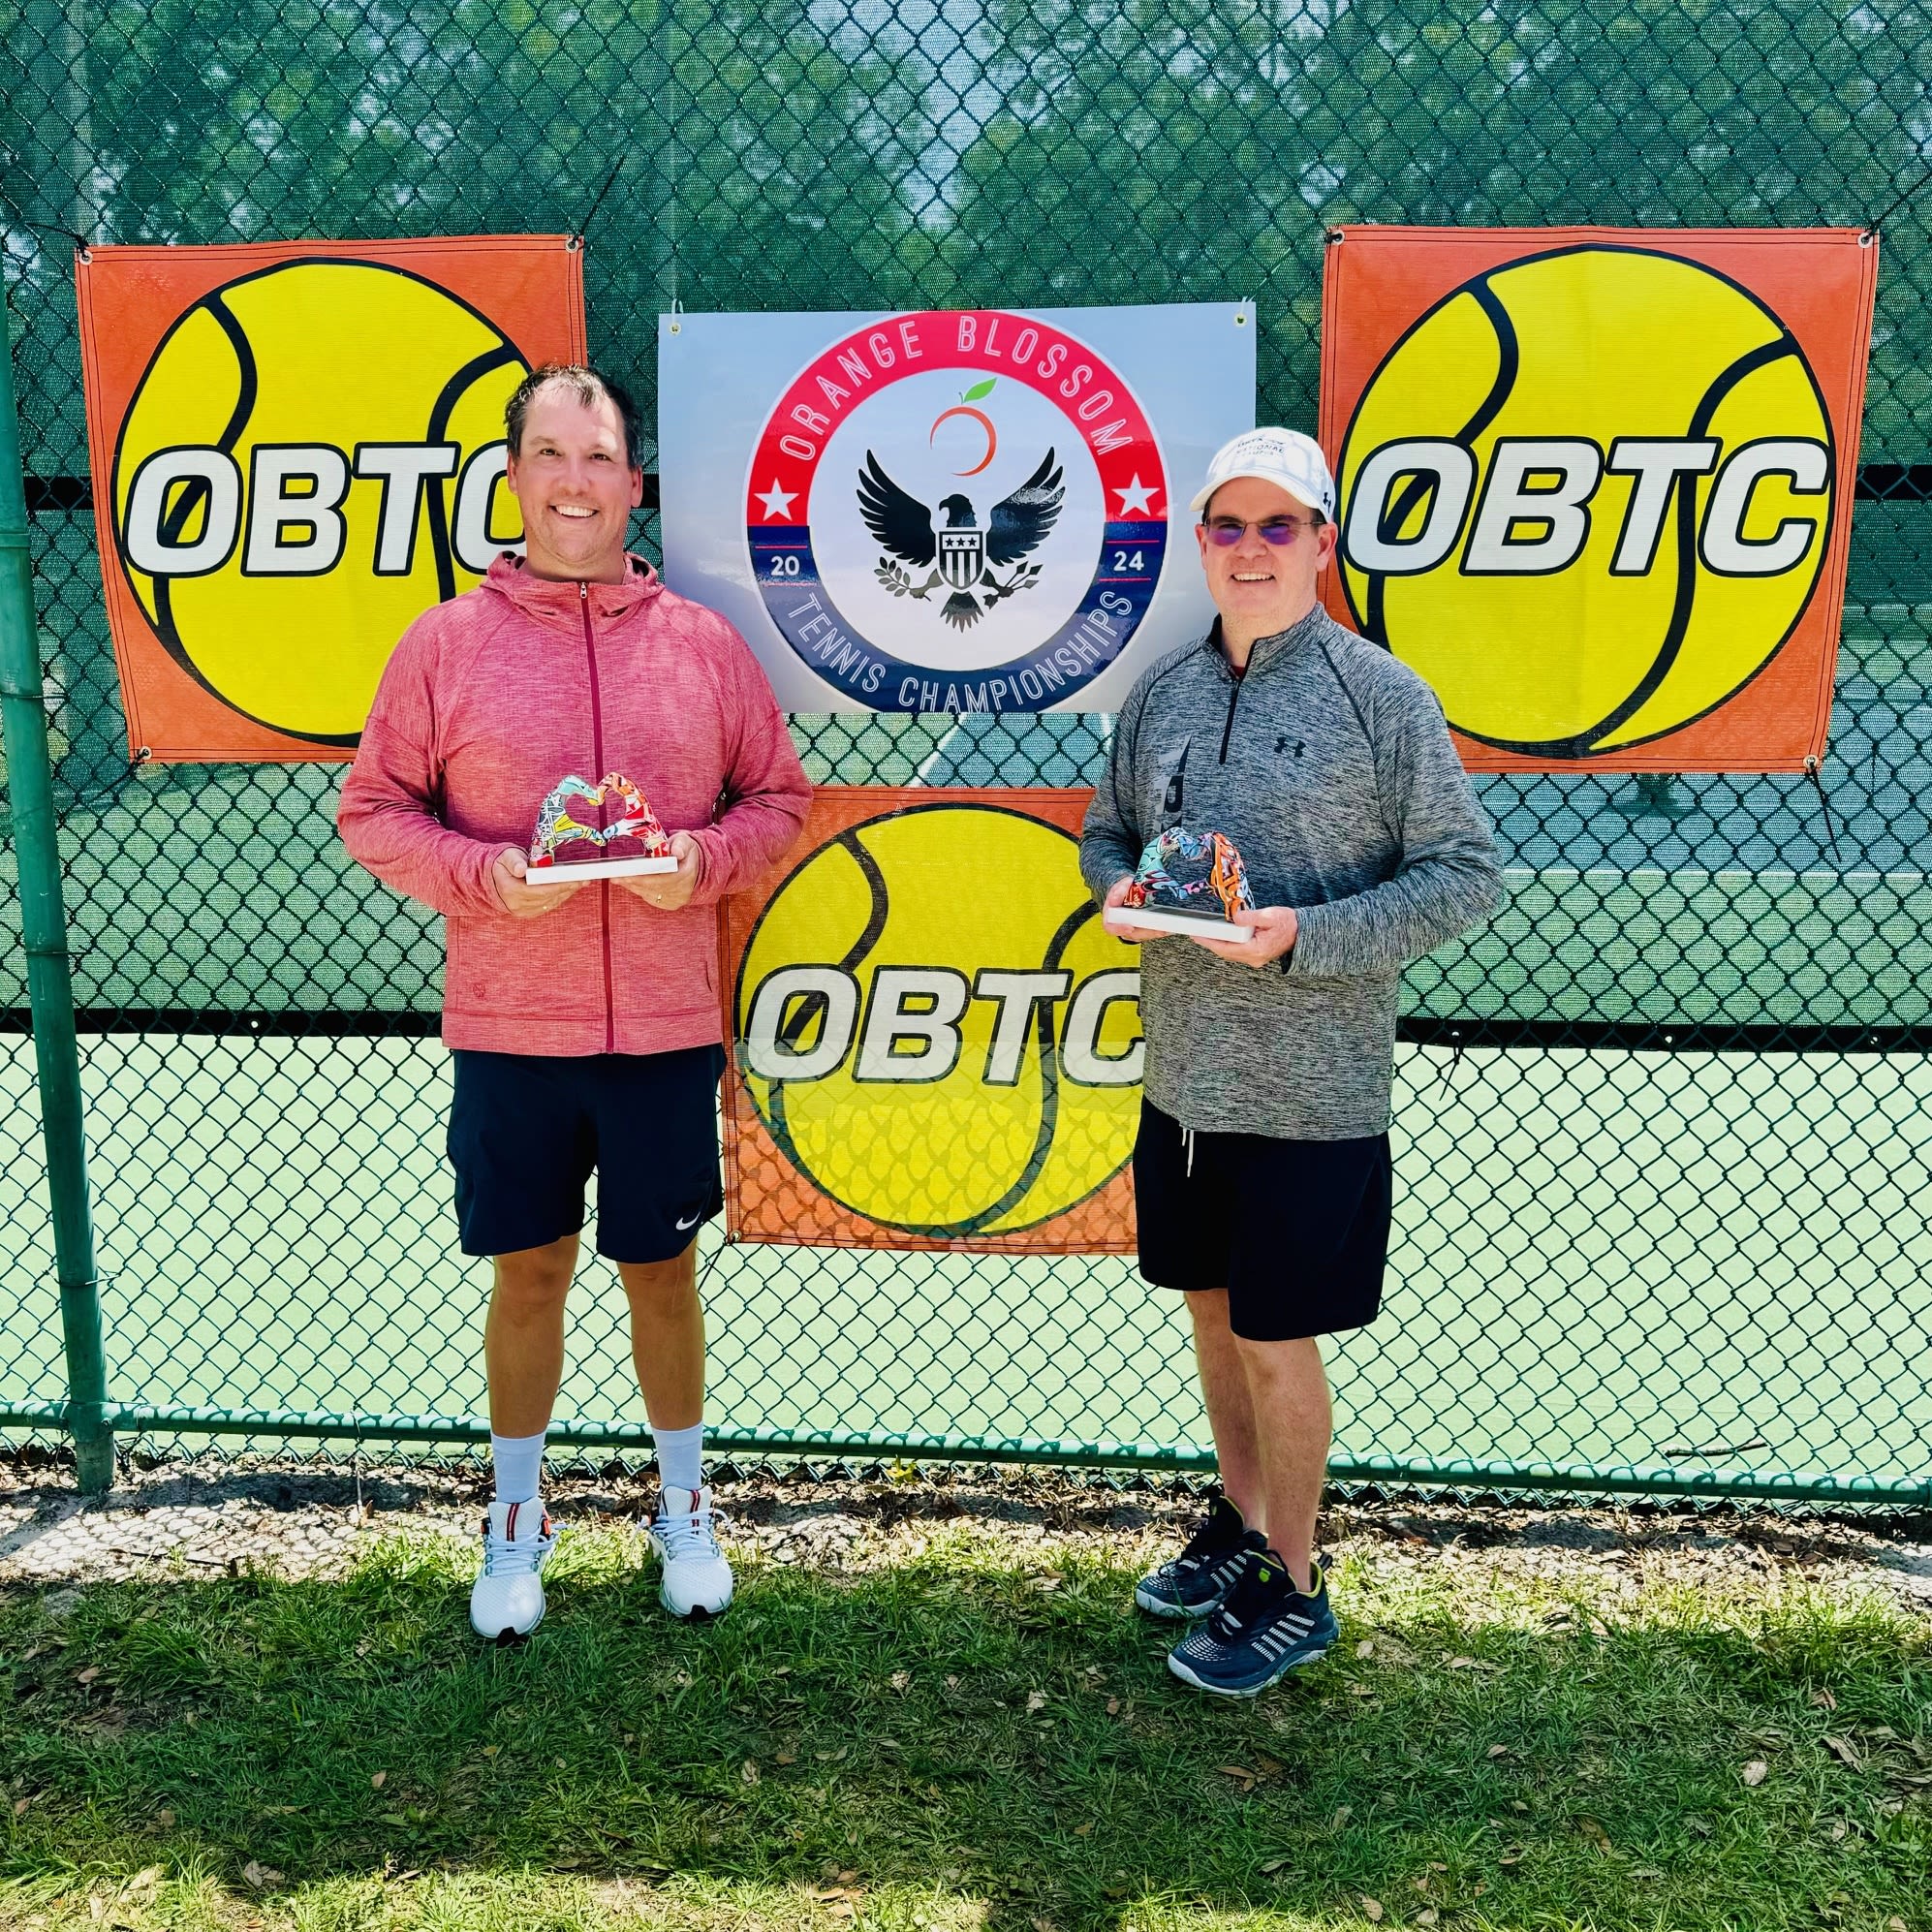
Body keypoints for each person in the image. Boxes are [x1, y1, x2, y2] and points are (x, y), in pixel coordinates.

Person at [339, 364, 811, 1642]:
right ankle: (514, 1515)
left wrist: (696, 865)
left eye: (597, 456)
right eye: (549, 453)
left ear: (632, 482)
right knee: (530, 1269)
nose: (573, 480)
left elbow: (779, 801)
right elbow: (372, 811)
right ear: (513, 477)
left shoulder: (702, 644)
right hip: (512, 1032)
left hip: (663, 1031)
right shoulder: (446, 643)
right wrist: (486, 877)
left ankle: (684, 1504)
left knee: (661, 1270)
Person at [1080, 426, 1502, 1697]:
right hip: (1182, 1084)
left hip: (1312, 1092)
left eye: (1279, 526)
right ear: (1200, 543)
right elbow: (1108, 834)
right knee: (1213, 1316)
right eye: (1229, 525)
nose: (1251, 549)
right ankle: (1243, 1516)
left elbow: (1463, 876)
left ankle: (1296, 1583)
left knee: (1274, 1337)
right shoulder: (1162, 690)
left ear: (1322, 543)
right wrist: (1116, 894)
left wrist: (1302, 937)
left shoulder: (1382, 696)